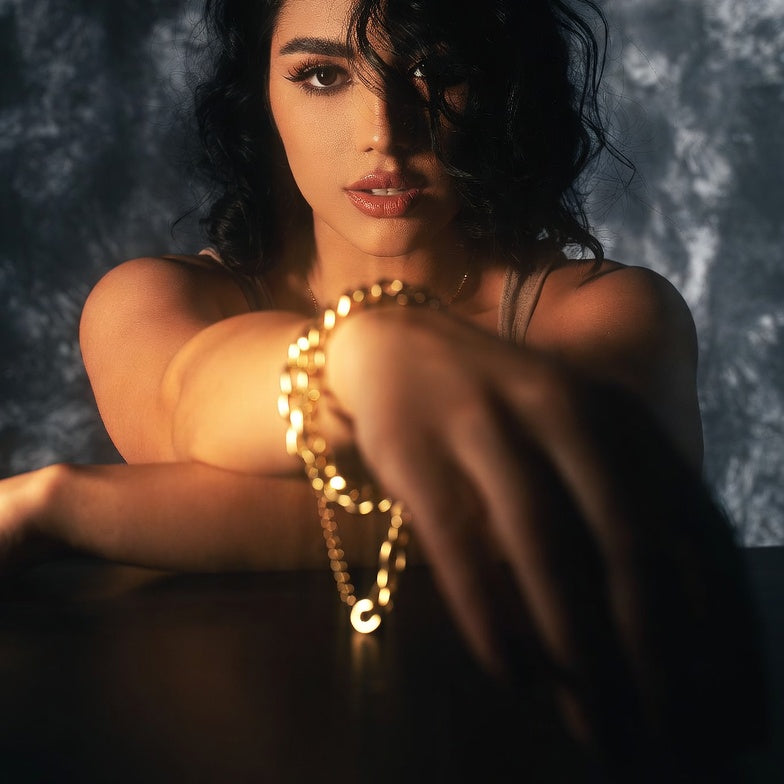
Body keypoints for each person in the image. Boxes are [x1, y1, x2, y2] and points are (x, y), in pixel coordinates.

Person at [0, 0, 767, 778]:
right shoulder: (156, 301)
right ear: (261, 94)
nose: (384, 132)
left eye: (437, 70)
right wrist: (361, 353)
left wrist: (66, 506)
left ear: (504, 85)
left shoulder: (603, 314)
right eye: (322, 74)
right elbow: (187, 402)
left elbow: (566, 516)